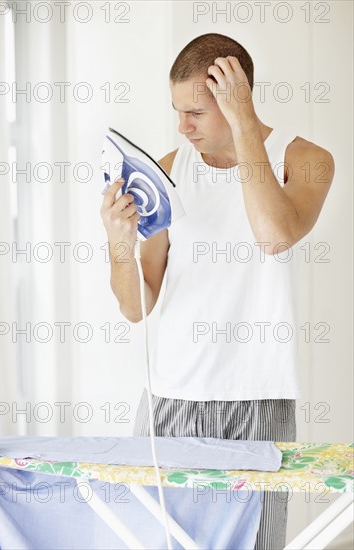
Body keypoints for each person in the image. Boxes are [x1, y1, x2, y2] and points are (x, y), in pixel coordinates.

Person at [100, 33, 335, 550]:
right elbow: (136, 306)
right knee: (157, 541)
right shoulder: (167, 170)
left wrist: (245, 125)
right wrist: (118, 245)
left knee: (256, 543)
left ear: (238, 96)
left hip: (257, 400)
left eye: (197, 113)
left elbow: (275, 235)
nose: (183, 128)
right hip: (170, 399)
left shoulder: (308, 159)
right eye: (177, 111)